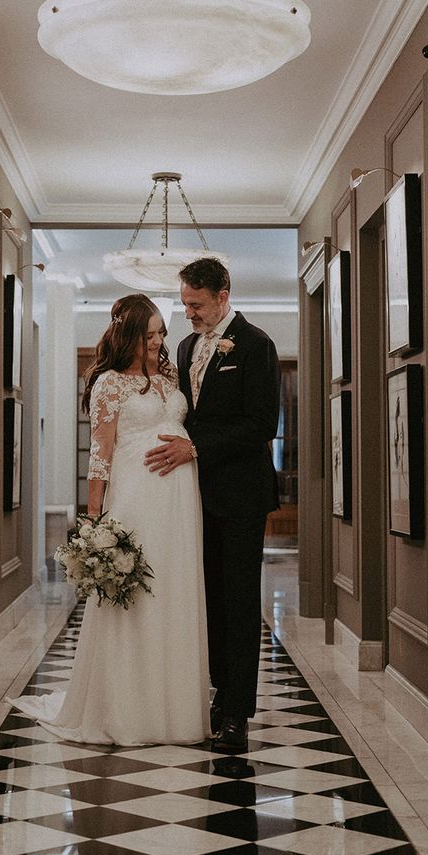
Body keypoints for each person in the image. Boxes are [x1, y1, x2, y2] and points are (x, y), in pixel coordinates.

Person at [10, 294, 210, 745]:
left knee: (175, 592)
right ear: (128, 336)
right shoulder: (109, 384)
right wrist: (95, 521)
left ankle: (177, 709)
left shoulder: (170, 376)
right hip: (136, 497)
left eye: (162, 333)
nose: (159, 343)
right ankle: (127, 709)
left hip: (180, 502)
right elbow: (100, 457)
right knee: (136, 595)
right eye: (150, 335)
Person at [145, 258, 280, 753]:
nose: (189, 315)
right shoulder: (184, 347)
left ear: (224, 294)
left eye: (196, 305)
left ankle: (238, 716)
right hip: (193, 498)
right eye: (184, 305)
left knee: (240, 603)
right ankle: (217, 697)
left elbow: (262, 423)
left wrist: (197, 448)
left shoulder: (256, 344)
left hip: (241, 497)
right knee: (207, 600)